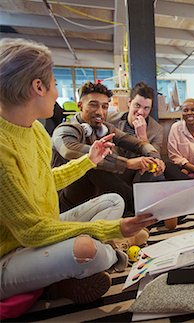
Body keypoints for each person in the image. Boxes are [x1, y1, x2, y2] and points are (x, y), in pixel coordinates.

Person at [0, 38, 156, 304]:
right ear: (38, 86)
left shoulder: (35, 129)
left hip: (46, 228)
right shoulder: (16, 143)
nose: (58, 94)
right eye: (55, 82)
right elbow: (30, 232)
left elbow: (45, 181)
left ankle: (61, 281)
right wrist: (114, 229)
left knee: (113, 200)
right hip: (12, 253)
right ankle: (113, 251)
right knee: (88, 249)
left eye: (104, 106)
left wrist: (92, 159)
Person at [52, 82, 166, 213]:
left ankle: (149, 207)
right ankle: (141, 210)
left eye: (105, 106)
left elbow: (137, 144)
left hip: (98, 195)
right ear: (80, 106)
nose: (100, 111)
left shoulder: (105, 127)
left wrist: (154, 158)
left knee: (149, 165)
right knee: (92, 163)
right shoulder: (65, 130)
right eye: (93, 105)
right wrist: (127, 163)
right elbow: (71, 150)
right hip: (62, 202)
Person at [107, 81, 163, 154]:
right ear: (129, 102)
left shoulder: (156, 130)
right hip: (116, 163)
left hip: (140, 165)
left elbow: (154, 160)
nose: (140, 112)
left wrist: (143, 138)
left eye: (146, 108)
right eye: (137, 105)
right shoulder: (110, 119)